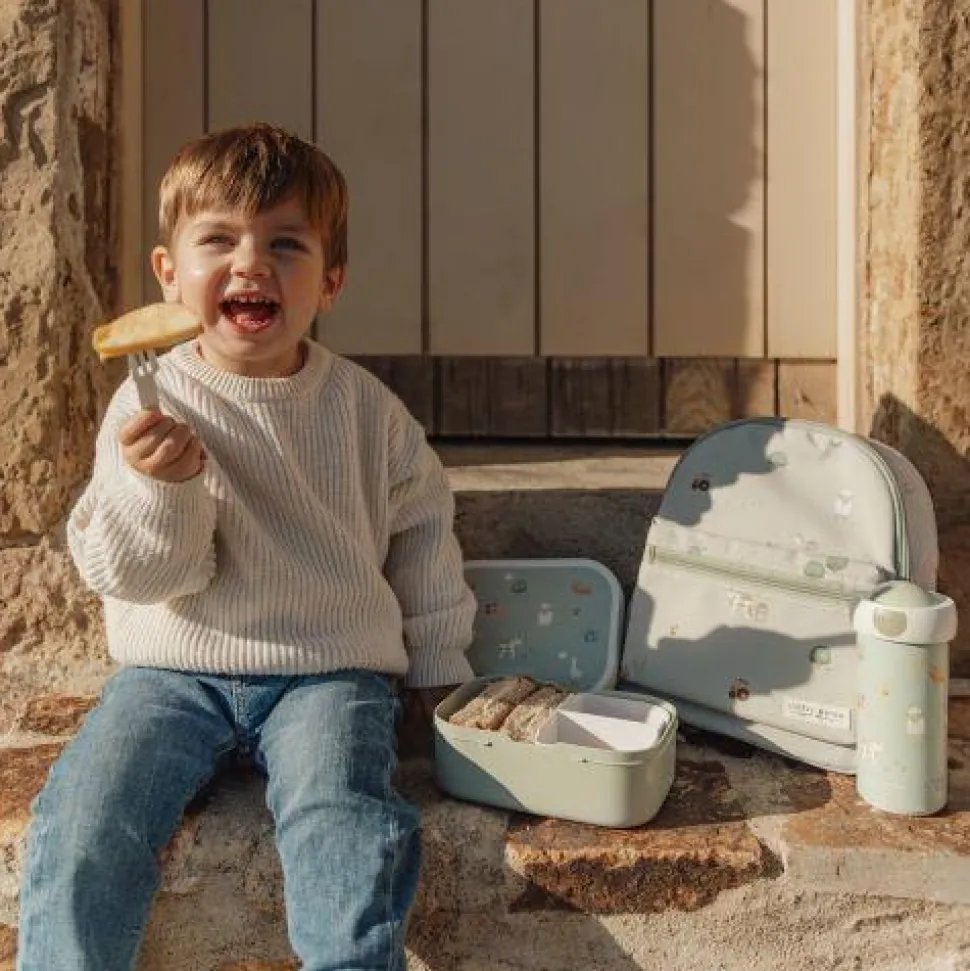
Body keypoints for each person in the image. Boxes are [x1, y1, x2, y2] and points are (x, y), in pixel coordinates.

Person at [16, 122, 476, 971]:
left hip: (326, 667)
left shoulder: (367, 412)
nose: (252, 263)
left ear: (329, 281)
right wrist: (164, 487)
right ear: (169, 275)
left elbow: (422, 536)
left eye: (286, 243)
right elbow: (131, 571)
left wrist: (439, 664)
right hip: (171, 670)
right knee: (85, 819)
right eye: (218, 239)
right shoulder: (147, 404)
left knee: (344, 816)